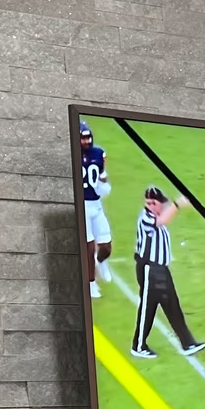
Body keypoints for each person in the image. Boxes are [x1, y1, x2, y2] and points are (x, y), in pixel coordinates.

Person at [130, 186, 205, 360]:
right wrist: (177, 204)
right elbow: (161, 221)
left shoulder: (154, 215)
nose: (162, 206)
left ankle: (187, 343)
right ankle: (138, 345)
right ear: (153, 203)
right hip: (149, 269)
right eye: (160, 204)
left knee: (172, 305)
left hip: (161, 269)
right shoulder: (146, 218)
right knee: (147, 308)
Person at [79, 120, 112, 299]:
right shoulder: (73, 155)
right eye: (83, 138)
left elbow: (101, 177)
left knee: (106, 246)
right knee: (89, 247)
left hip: (96, 204)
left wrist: (104, 182)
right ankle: (91, 284)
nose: (86, 141)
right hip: (82, 205)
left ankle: (101, 263)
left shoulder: (98, 153)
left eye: (88, 137)